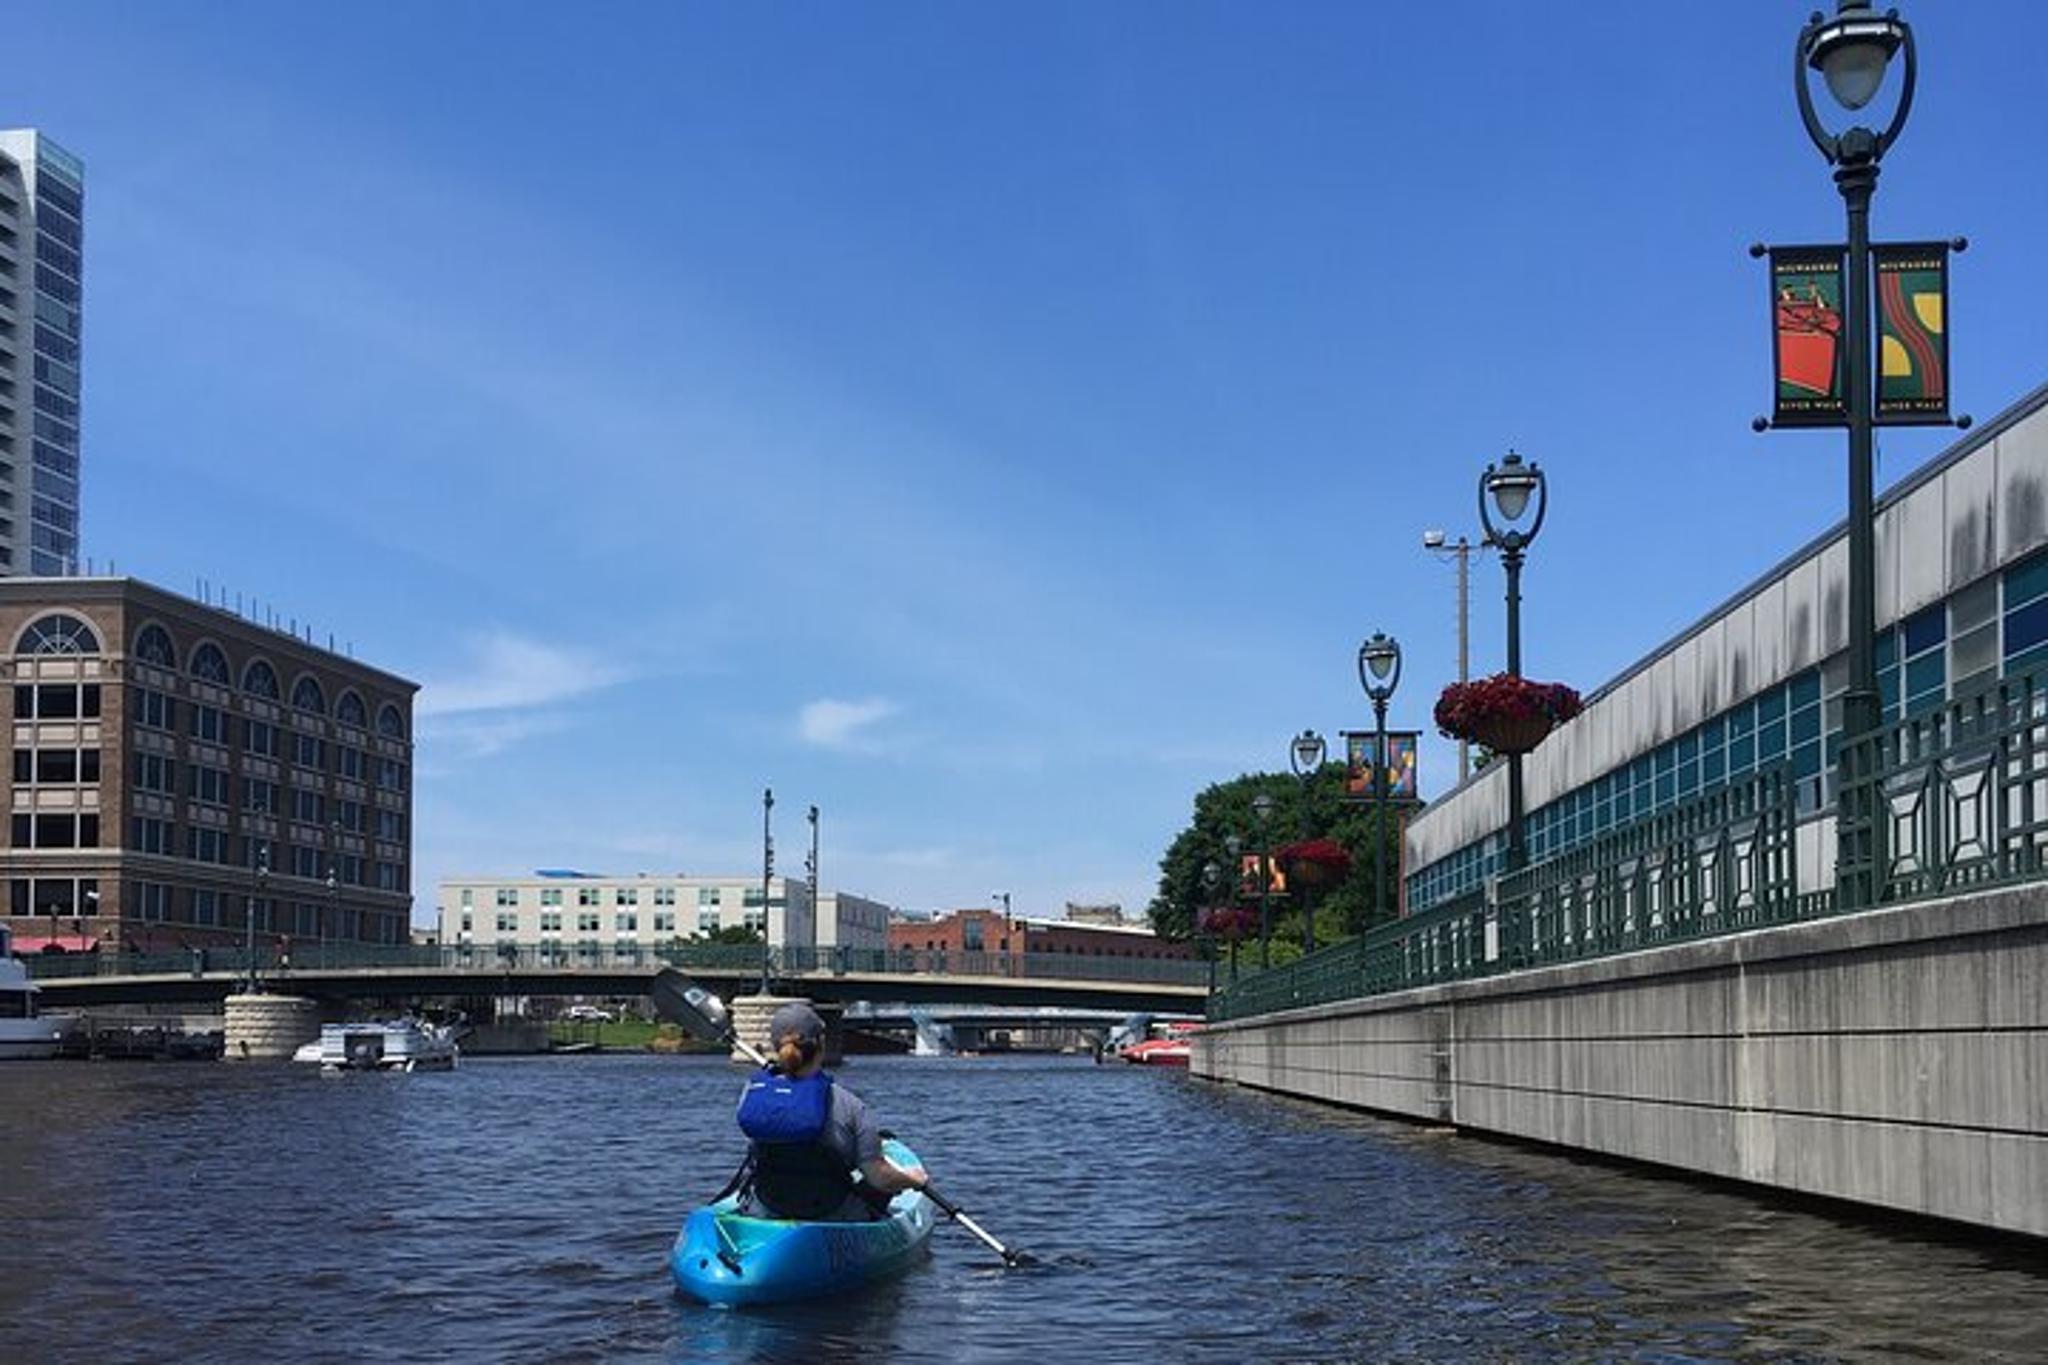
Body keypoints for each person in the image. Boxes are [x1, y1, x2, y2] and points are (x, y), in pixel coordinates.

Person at [736, 1002, 927, 1221]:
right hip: (831, 1212)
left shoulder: (751, 1093)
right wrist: (913, 1180)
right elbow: (879, 1178)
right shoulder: (850, 1105)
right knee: (880, 1186)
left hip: (770, 1205)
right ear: (821, 1044)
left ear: (775, 1045)